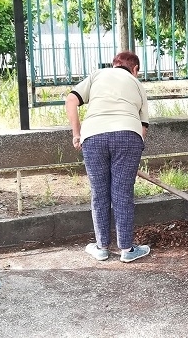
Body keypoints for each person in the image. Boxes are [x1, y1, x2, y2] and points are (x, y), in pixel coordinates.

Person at [65, 51, 151, 263]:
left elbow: (71, 100)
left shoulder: (97, 75)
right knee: (122, 193)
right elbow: (143, 126)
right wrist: (133, 148)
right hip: (128, 135)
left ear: (114, 65)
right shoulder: (137, 84)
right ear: (136, 69)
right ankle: (127, 249)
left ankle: (102, 247)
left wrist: (77, 134)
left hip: (93, 136)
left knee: (99, 192)